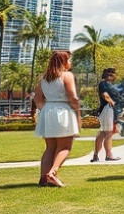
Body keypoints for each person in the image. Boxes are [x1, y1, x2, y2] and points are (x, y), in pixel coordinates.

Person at [34, 51, 81, 187]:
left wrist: (47, 109)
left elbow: (37, 99)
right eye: (69, 60)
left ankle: (44, 178)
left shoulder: (44, 78)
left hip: (48, 110)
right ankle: (53, 172)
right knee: (65, 146)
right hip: (63, 110)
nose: (70, 63)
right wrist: (77, 114)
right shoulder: (67, 76)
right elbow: (73, 97)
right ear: (64, 62)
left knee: (50, 147)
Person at [91, 68, 121, 163]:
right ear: (110, 75)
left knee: (102, 133)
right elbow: (105, 95)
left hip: (106, 110)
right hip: (107, 109)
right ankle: (109, 155)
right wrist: (113, 103)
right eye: (114, 74)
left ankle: (96, 155)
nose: (115, 76)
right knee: (108, 133)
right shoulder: (103, 84)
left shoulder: (108, 84)